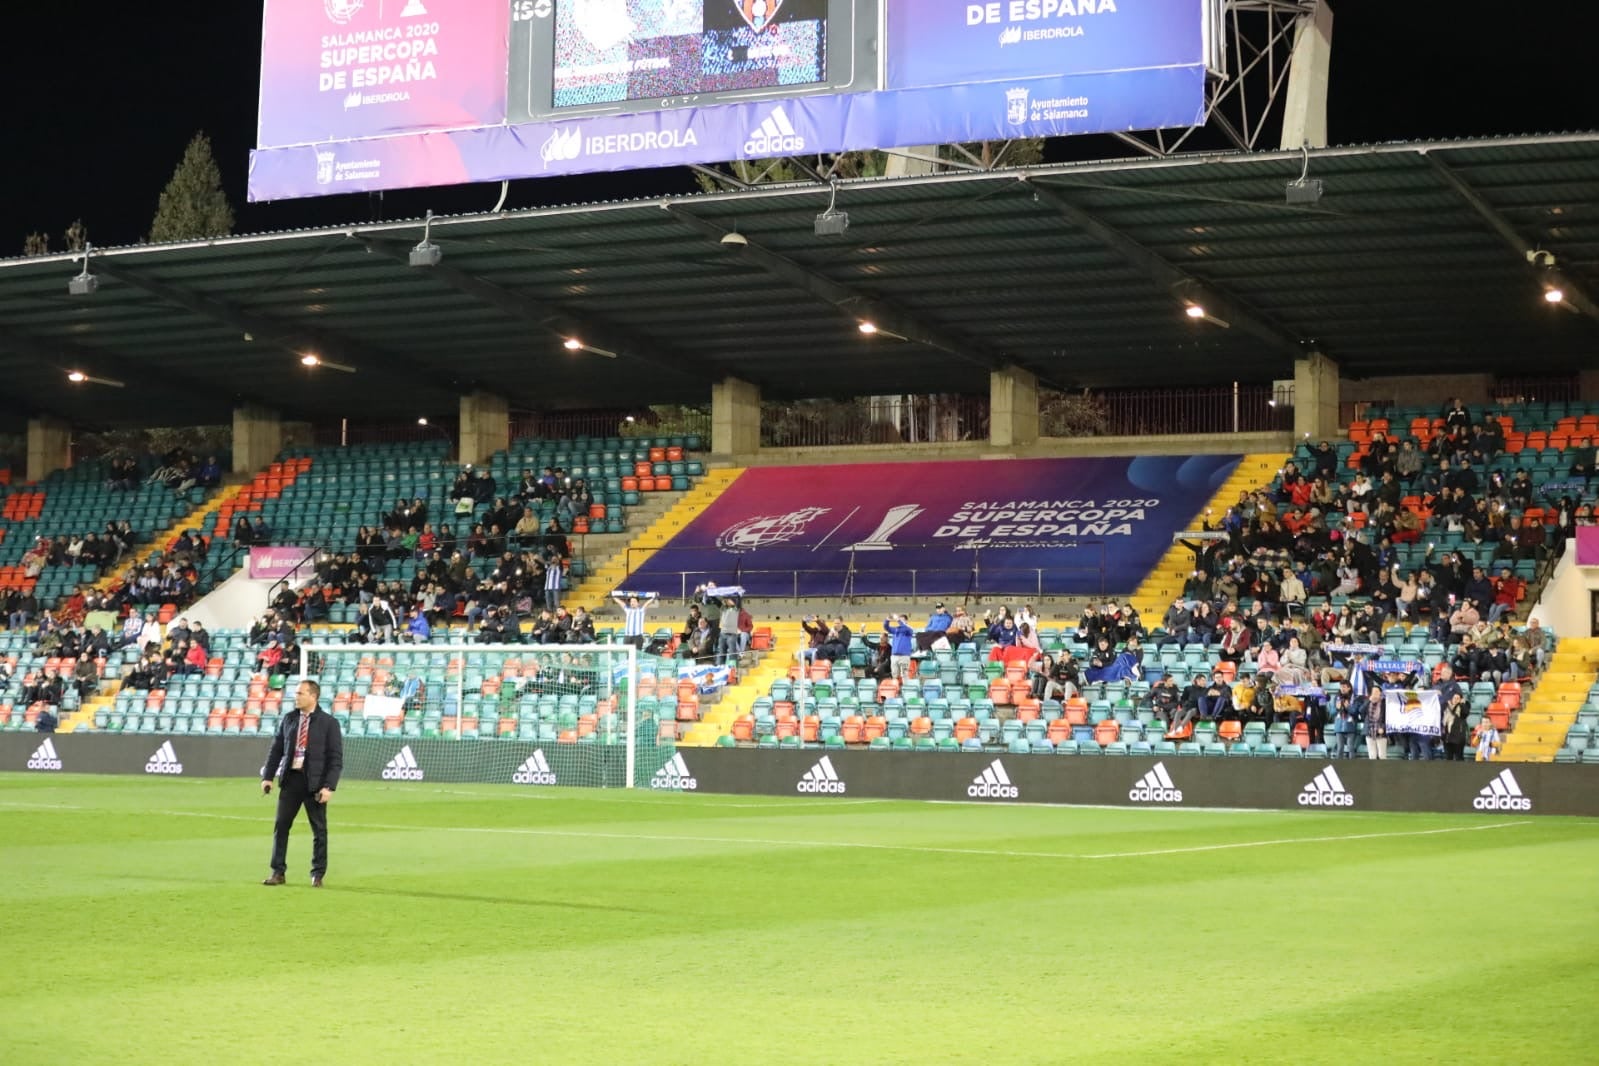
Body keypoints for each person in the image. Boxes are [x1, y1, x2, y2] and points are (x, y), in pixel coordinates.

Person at [261, 679, 344, 888]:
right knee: (281, 826)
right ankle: (277, 871)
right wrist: (268, 777)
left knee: (319, 830)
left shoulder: (329, 723)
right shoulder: (289, 719)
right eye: (296, 693)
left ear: (313, 696)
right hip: (291, 780)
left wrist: (329, 786)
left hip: (315, 783)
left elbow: (335, 758)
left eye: (300, 693)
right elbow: (277, 749)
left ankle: (317, 874)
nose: (296, 697)